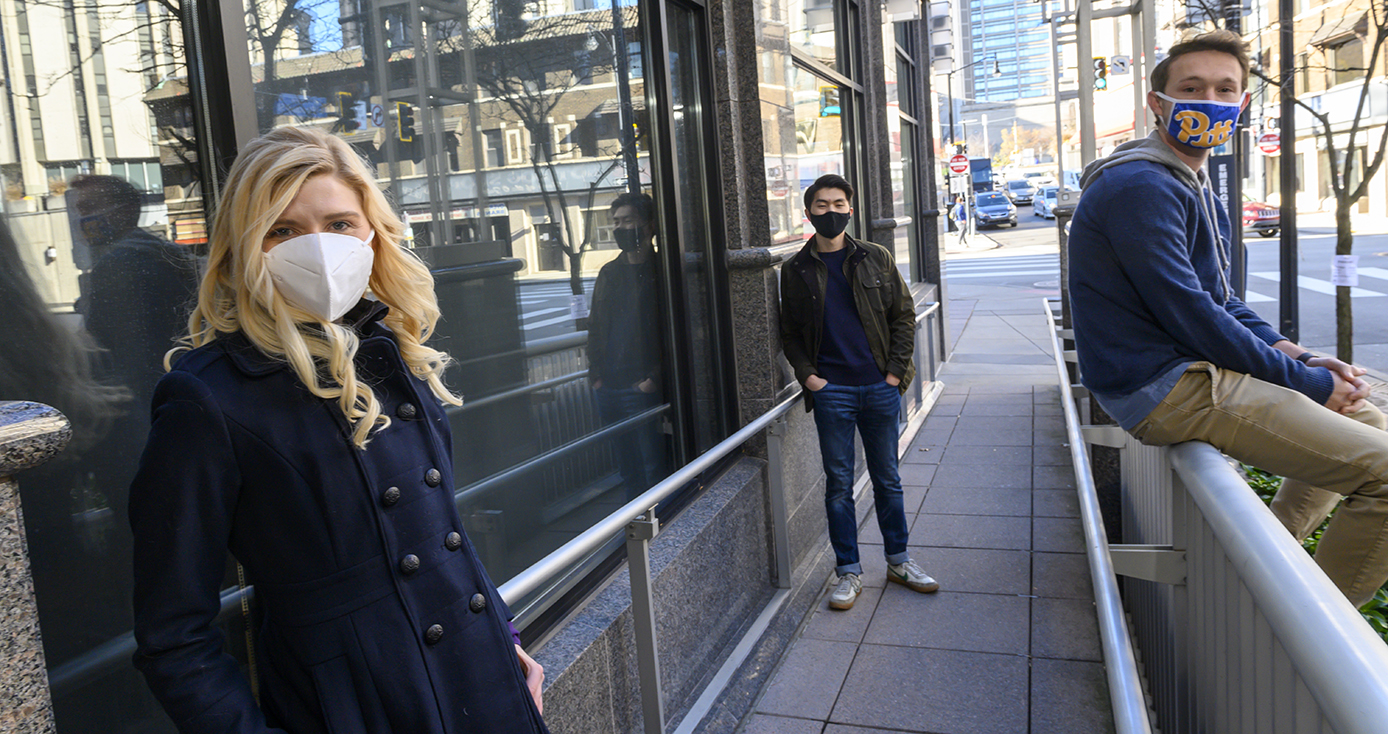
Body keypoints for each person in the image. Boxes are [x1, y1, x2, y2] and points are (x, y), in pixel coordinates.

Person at [127, 126, 549, 733]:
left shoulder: (392, 353)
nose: (318, 248)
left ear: (372, 232)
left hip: (485, 688)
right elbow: (173, 636)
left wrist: (503, 642)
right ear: (245, 247)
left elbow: (441, 537)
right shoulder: (208, 397)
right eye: (283, 230)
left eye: (340, 223)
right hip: (361, 710)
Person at [1069, 30, 1388, 608]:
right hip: (1167, 385)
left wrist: (1304, 358)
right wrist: (1311, 386)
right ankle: (1314, 635)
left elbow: (1224, 301)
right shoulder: (1140, 184)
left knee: (1372, 421)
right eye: (1191, 88)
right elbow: (1190, 313)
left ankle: (1268, 576)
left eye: (1225, 89)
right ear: (1158, 103)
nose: (1209, 100)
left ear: (1242, 105)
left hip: (1190, 372)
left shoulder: (1191, 185)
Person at [779, 174, 938, 611]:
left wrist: (893, 375)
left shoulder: (876, 257)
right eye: (822, 205)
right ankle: (848, 571)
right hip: (833, 393)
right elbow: (789, 332)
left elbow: (904, 317)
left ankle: (899, 561)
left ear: (851, 208)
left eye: (838, 203)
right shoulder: (795, 270)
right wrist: (811, 378)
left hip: (879, 387)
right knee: (838, 486)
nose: (831, 212)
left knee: (888, 480)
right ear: (809, 212)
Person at [587, 192, 668, 499]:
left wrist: (654, 379)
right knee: (627, 468)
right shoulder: (609, 272)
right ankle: (634, 531)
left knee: (651, 465)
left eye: (628, 220)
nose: (620, 228)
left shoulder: (663, 271)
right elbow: (595, 327)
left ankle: (660, 532)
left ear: (648, 225)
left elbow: (674, 329)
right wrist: (596, 376)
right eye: (616, 222)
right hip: (608, 386)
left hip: (642, 385)